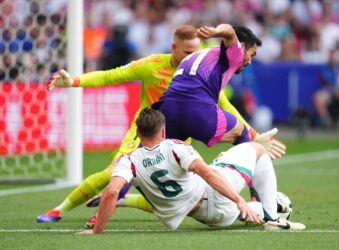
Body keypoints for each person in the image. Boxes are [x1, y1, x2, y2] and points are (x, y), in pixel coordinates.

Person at [37, 25, 283, 223]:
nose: (192, 55)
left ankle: (119, 201)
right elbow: (110, 75)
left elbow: (225, 105)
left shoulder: (198, 69)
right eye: (187, 51)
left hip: (174, 132)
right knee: (114, 174)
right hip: (147, 128)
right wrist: (74, 81)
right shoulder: (153, 64)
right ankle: (64, 210)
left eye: (195, 50)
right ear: (174, 48)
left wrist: (253, 133)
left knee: (168, 190)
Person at [79, 108, 305, 234]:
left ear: (137, 133)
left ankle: (270, 207)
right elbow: (208, 174)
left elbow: (110, 192)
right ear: (164, 130)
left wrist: (96, 230)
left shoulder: (128, 161)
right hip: (215, 195)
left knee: (224, 172)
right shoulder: (175, 147)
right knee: (258, 149)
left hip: (211, 218)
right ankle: (274, 217)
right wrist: (239, 200)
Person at [153, 24, 284, 154]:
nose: (250, 61)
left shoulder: (199, 58)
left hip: (167, 109)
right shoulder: (235, 54)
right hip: (197, 107)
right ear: (242, 47)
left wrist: (254, 135)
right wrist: (215, 32)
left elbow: (225, 104)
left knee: (161, 155)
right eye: (252, 54)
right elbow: (230, 31)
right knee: (240, 133)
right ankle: (236, 173)